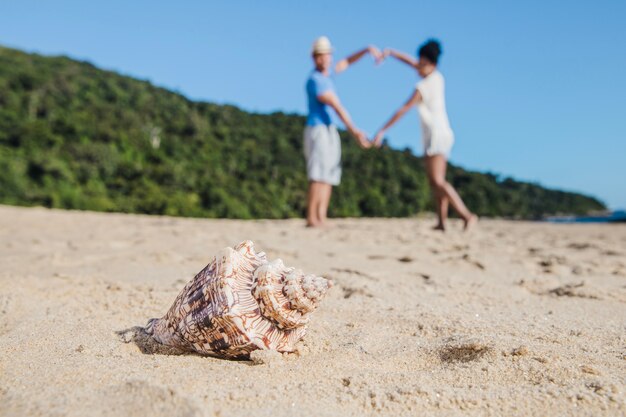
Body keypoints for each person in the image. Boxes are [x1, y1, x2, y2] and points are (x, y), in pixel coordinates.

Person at [373, 39, 477, 231]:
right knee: (434, 181)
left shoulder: (425, 86)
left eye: (421, 63)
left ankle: (467, 215)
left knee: (438, 180)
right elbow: (411, 62)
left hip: (437, 135)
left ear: (430, 64)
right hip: (437, 134)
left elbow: (403, 109)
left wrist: (382, 130)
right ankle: (441, 222)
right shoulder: (437, 76)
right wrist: (392, 53)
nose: (417, 66)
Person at [304, 36, 380, 227]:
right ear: (314, 58)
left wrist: (366, 49)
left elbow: (347, 62)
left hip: (330, 129)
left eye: (327, 55)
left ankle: (321, 216)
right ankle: (312, 216)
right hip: (318, 128)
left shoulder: (329, 76)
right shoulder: (315, 80)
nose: (324, 59)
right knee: (318, 173)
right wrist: (354, 131)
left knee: (329, 173)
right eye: (320, 55)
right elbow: (336, 106)